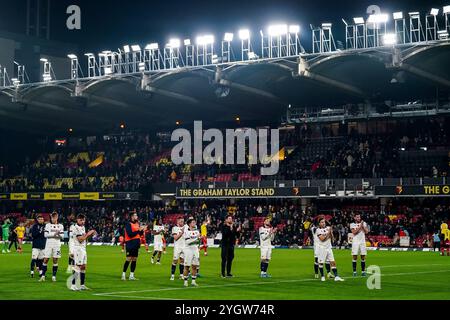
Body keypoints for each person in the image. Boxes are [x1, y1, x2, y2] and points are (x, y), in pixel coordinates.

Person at [70, 214, 97, 291]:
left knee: (83, 267)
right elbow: (80, 239)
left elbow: (84, 238)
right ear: (77, 220)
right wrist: (89, 233)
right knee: (78, 266)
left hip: (83, 249)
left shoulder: (83, 227)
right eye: (80, 220)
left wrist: (91, 235)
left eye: (83, 220)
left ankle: (82, 285)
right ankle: (73, 285)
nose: (82, 221)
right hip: (78, 248)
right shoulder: (75, 227)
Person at [316, 218, 344, 282]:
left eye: (324, 222)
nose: (323, 223)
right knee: (321, 263)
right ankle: (322, 276)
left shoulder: (328, 228)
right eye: (322, 222)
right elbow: (322, 239)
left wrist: (331, 232)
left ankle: (336, 276)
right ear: (319, 223)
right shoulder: (318, 230)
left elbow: (332, 238)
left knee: (333, 262)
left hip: (329, 248)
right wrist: (328, 233)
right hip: (322, 248)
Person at [40, 212, 64, 282]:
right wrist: (55, 234)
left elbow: (62, 236)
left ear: (57, 217)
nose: (54, 219)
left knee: (55, 260)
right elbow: (45, 235)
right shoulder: (48, 225)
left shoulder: (61, 226)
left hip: (57, 245)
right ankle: (43, 276)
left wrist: (52, 234)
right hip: (49, 244)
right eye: (52, 217)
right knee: (46, 259)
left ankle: (54, 276)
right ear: (51, 218)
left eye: (55, 217)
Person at [121, 212, 145, 280]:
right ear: (132, 216)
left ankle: (131, 275)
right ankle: (123, 274)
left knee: (134, 259)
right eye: (135, 215)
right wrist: (138, 230)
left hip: (136, 243)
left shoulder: (137, 224)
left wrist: (142, 230)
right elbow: (130, 234)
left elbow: (139, 234)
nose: (137, 216)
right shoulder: (128, 224)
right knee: (128, 259)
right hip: (130, 243)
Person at [183, 217, 200, 287]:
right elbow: (187, 242)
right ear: (189, 224)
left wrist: (198, 242)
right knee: (187, 266)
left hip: (195, 250)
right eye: (193, 222)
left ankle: (193, 281)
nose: (194, 223)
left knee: (195, 266)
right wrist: (196, 240)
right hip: (188, 250)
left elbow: (198, 241)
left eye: (195, 222)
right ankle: (185, 281)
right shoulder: (186, 232)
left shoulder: (197, 231)